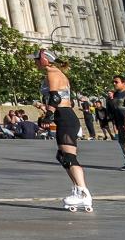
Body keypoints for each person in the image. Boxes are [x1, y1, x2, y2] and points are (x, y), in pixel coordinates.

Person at [38, 51, 90, 212]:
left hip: (65, 117)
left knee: (68, 156)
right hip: (64, 116)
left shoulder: (52, 72)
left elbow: (55, 98)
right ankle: (77, 189)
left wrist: (48, 117)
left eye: (36, 60)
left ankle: (83, 192)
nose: (35, 63)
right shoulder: (57, 73)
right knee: (62, 156)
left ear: (44, 60)